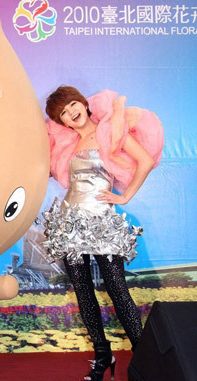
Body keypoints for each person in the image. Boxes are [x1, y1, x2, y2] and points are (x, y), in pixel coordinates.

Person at [41, 86, 163, 381]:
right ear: (64, 123)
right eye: (64, 114)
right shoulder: (66, 145)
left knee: (117, 289)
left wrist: (125, 197)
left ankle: (144, 357)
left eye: (72, 105)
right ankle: (102, 355)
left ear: (83, 104)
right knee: (83, 293)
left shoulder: (112, 131)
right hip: (70, 222)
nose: (71, 113)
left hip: (102, 222)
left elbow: (145, 161)